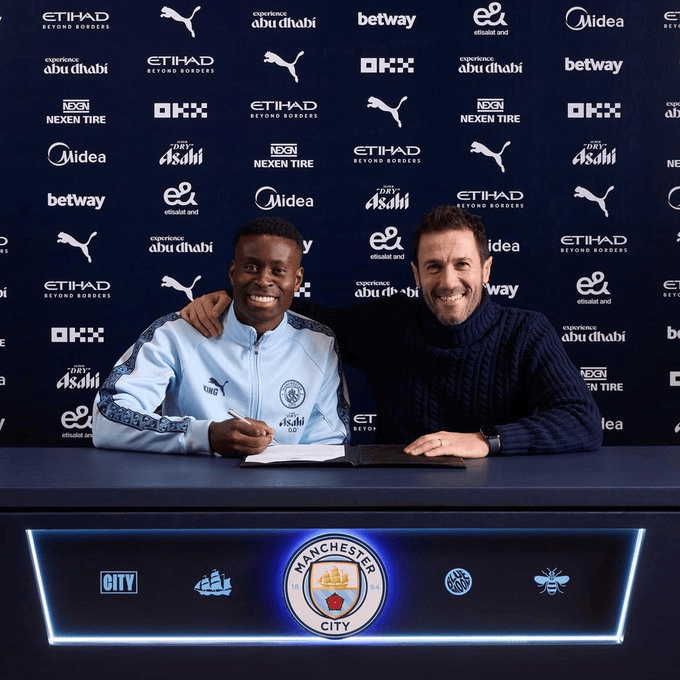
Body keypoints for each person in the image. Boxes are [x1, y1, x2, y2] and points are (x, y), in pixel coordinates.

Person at [181, 206, 601, 459]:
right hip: (399, 498)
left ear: (486, 269)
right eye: (433, 267)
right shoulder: (390, 323)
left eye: (462, 265)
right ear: (416, 273)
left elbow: (582, 420)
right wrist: (231, 296)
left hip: (497, 500)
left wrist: (485, 440)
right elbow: (301, 310)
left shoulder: (525, 331)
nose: (448, 281)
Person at [93, 216, 350, 455]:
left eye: (278, 271)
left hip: (285, 490)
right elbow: (108, 419)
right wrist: (206, 435)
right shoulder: (178, 333)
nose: (263, 280)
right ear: (233, 273)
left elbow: (329, 446)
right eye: (251, 267)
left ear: (297, 280)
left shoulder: (320, 343)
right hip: (190, 488)